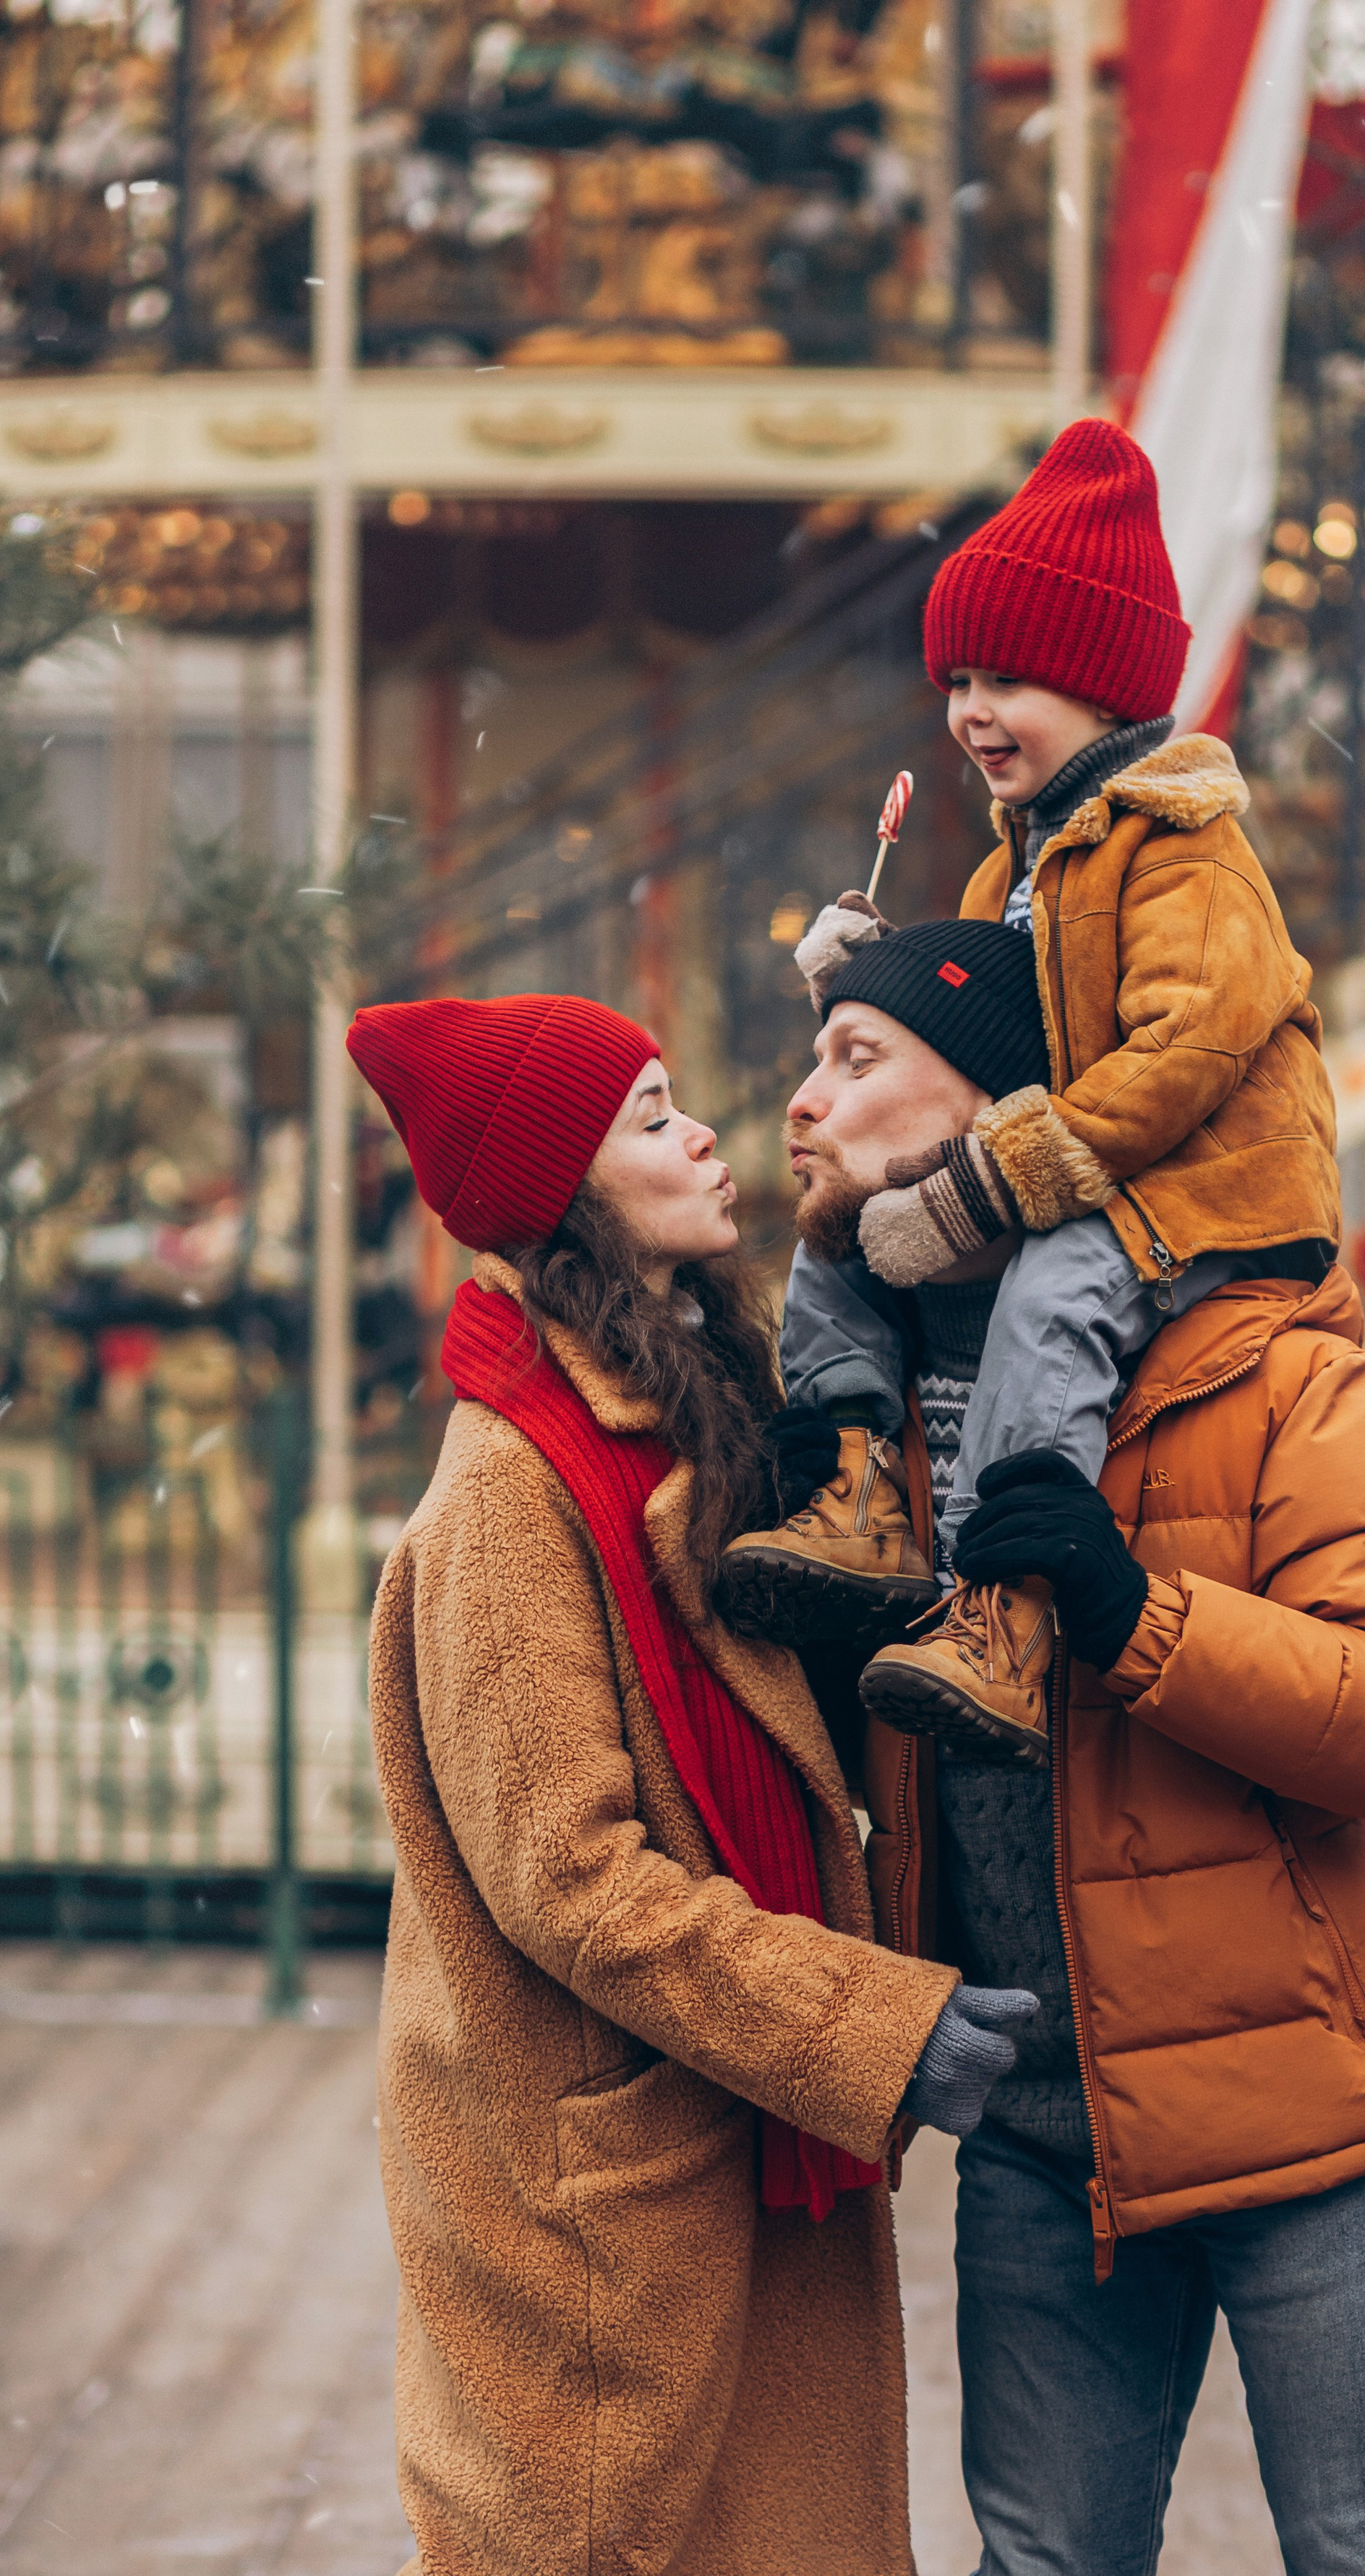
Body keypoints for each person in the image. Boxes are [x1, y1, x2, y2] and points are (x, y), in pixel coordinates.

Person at [719, 949, 1365, 2575]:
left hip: (1319, 2130)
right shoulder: (839, 1428)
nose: (803, 1099)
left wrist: (1134, 1611)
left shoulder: (1268, 1366)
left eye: (858, 1055)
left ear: (1001, 1106)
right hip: (1039, 2132)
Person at [346, 989, 1038, 2576]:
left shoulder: (691, 1429)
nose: (704, 1129)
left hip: (722, 2160)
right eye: (650, 1115)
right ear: (570, 1191)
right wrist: (873, 2022)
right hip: (608, 2226)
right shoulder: (513, 1491)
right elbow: (573, 1884)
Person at [724, 417, 1340, 1762]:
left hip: (1204, 1189)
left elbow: (1181, 1057)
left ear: (1105, 687)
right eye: (956, 680)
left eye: (1009, 678)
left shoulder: (1186, 852)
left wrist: (1005, 1176)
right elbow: (992, 1033)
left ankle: (1005, 1602)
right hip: (1087, 1166)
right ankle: (853, 1480)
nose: (971, 712)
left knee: (1057, 1294)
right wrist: (878, 979)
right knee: (845, 1216)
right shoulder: (1016, 863)